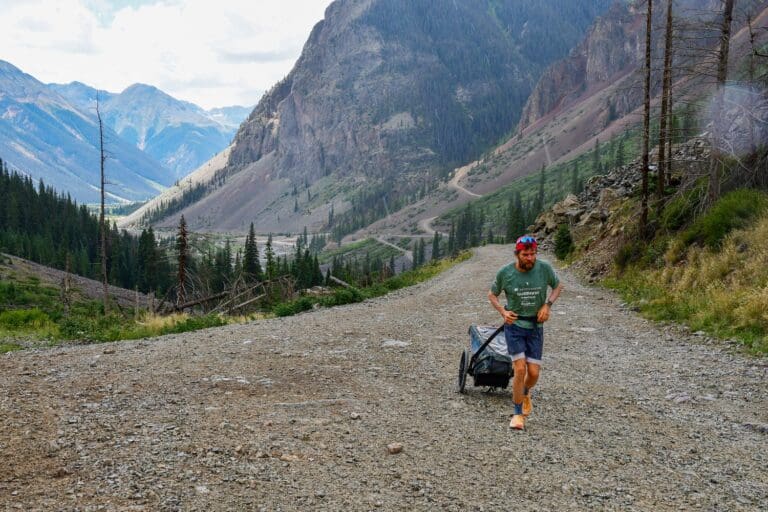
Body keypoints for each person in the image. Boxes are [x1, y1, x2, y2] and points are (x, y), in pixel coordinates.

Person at [488, 234, 563, 431]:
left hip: (536, 328)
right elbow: (492, 294)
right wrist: (503, 312)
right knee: (520, 369)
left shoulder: (544, 268)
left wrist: (547, 305)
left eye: (533, 254)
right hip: (515, 327)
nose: (530, 258)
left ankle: (525, 392)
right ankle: (517, 414)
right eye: (526, 254)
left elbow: (557, 286)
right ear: (517, 254)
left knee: (534, 373)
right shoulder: (505, 272)